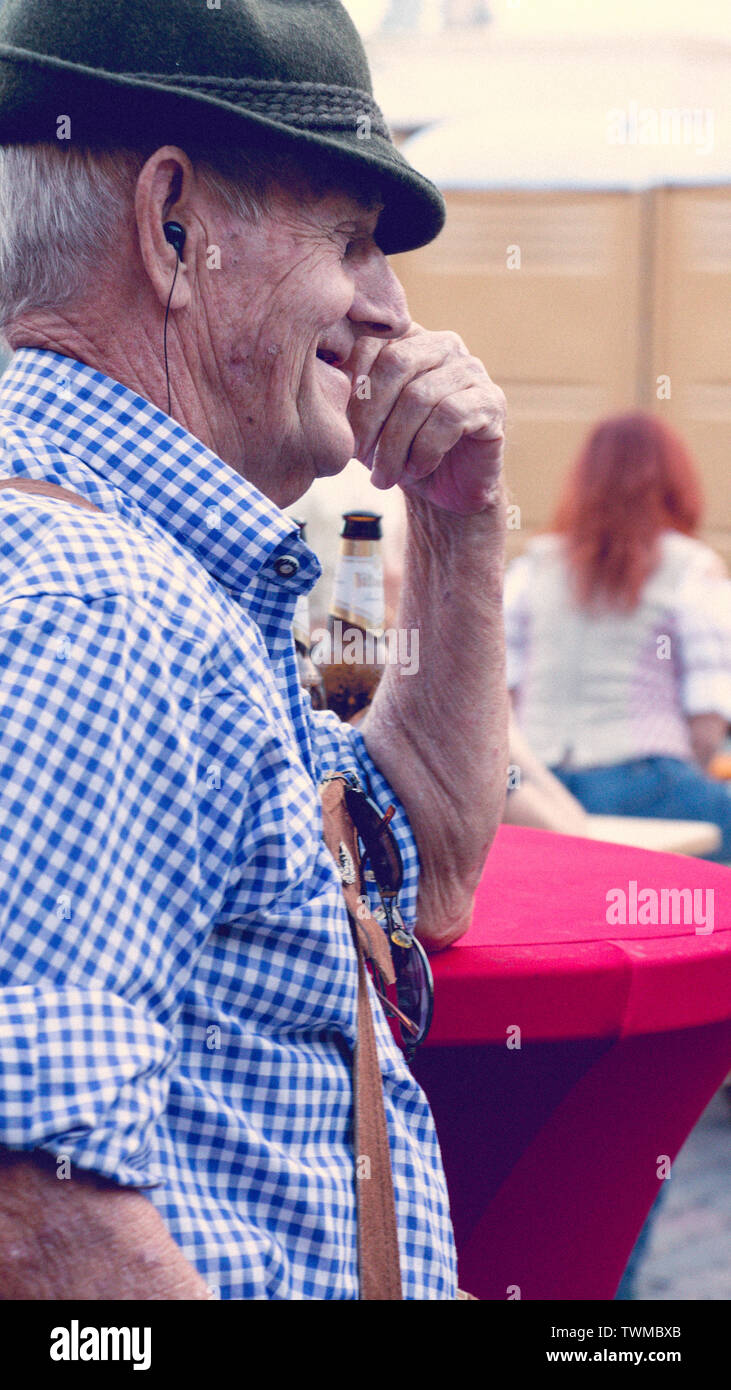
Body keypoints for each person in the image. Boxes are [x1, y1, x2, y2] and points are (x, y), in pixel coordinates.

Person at [0, 0, 508, 1300]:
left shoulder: (116, 556)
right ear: (175, 228)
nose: (391, 313)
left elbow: (419, 868)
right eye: (352, 240)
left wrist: (455, 528)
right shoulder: (109, 602)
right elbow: (34, 1215)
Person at [504, 412, 731, 860]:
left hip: (541, 788)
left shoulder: (532, 569)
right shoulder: (691, 568)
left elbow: (500, 696)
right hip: (648, 782)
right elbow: (709, 718)